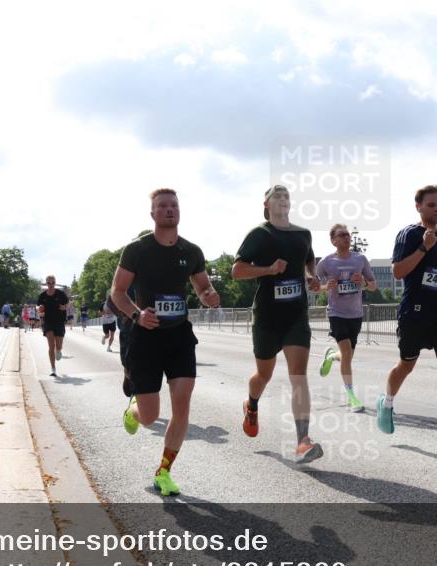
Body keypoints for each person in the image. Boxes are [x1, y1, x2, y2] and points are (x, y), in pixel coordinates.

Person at [110, 188, 220, 496]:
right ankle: (133, 408)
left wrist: (209, 296)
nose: (169, 209)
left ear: (179, 211)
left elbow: (203, 287)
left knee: (181, 407)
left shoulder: (192, 251)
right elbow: (117, 292)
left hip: (179, 336)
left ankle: (164, 471)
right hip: (146, 337)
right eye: (162, 206)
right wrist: (136, 315)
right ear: (153, 214)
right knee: (149, 417)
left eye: (173, 205)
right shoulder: (137, 250)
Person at [232, 184, 324, 463]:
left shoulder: (303, 234)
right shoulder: (259, 234)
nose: (283, 199)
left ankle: (303, 441)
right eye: (277, 196)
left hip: (296, 314)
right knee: (264, 375)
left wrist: (312, 276)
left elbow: (309, 261)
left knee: (299, 375)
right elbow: (237, 271)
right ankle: (252, 403)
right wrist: (269, 270)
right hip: (267, 317)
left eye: (286, 196)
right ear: (267, 206)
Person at [375, 185, 437, 452]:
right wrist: (424, 249)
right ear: (418, 207)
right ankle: (387, 402)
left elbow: (430, 271)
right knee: (406, 365)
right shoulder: (409, 234)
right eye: (431, 205)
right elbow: (398, 272)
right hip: (414, 311)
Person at [316, 223, 377, 411]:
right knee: (348, 355)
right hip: (336, 313)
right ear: (333, 240)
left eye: (348, 235)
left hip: (356, 314)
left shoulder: (360, 259)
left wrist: (364, 282)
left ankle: (331, 356)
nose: (346, 237)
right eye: (342, 235)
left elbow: (373, 286)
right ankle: (352, 398)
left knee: (347, 356)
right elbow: (315, 286)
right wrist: (327, 287)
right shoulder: (326, 262)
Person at [37, 276, 69, 376]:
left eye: (52, 283)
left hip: (59, 321)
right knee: (51, 345)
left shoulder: (61, 294)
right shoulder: (42, 295)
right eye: (49, 283)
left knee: (58, 347)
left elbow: (68, 303)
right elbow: (38, 306)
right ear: (46, 284)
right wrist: (39, 309)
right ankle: (53, 369)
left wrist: (65, 307)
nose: (51, 285)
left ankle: (58, 350)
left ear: (55, 283)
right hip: (48, 321)